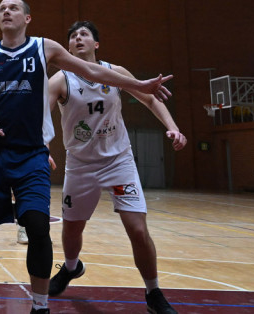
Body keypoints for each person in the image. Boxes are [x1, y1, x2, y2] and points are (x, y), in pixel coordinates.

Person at [0, 0, 173, 314]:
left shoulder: (45, 48)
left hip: (31, 156)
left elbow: (91, 71)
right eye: (1, 8)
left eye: (14, 8)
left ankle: (40, 306)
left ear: (28, 18)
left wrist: (138, 84)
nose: (6, 11)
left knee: (38, 226)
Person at [46, 20, 186, 314]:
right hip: (81, 166)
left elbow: (149, 97)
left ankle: (153, 292)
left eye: (84, 34)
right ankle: (71, 267)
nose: (78, 38)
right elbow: (41, 119)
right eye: (73, 36)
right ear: (68, 47)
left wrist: (172, 127)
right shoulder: (60, 80)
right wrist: (41, 149)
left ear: (96, 44)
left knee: (137, 229)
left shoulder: (116, 73)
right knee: (72, 231)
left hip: (118, 162)